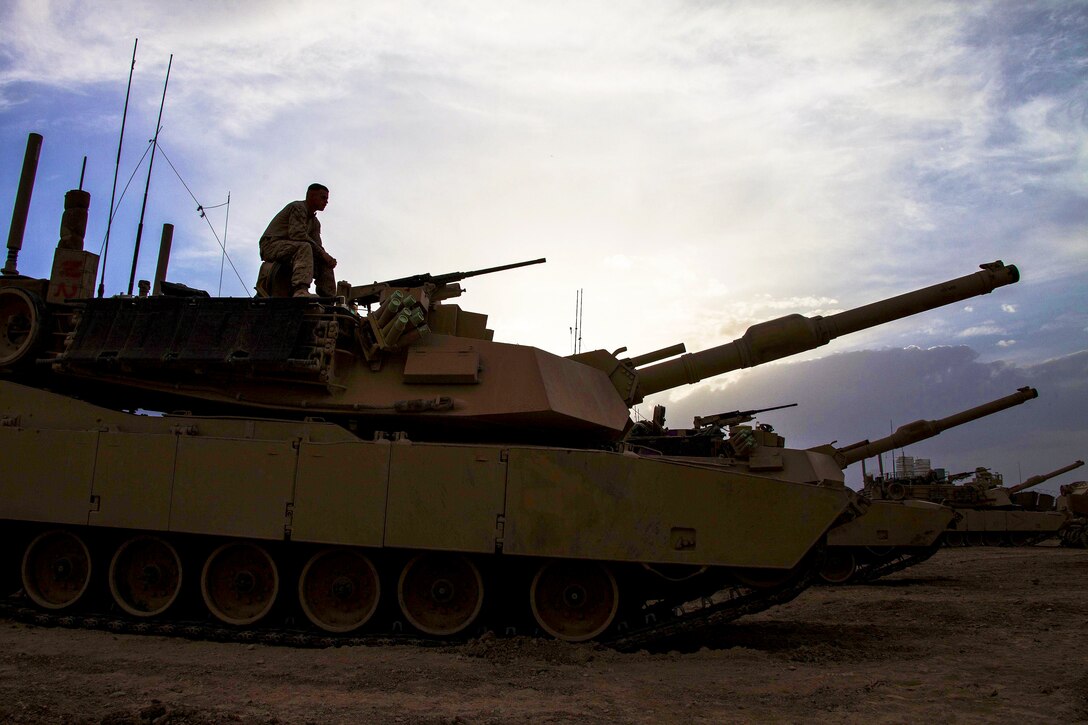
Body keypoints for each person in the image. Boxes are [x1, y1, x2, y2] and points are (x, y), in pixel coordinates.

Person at [258, 183, 337, 297]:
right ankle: (301, 289)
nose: (326, 202)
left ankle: (329, 298)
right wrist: (322, 253)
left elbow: (317, 246)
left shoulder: (314, 222)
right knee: (304, 247)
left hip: (291, 248)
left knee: (323, 259)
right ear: (311, 195)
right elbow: (297, 234)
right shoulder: (298, 207)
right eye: (323, 197)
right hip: (271, 245)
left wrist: (327, 257)